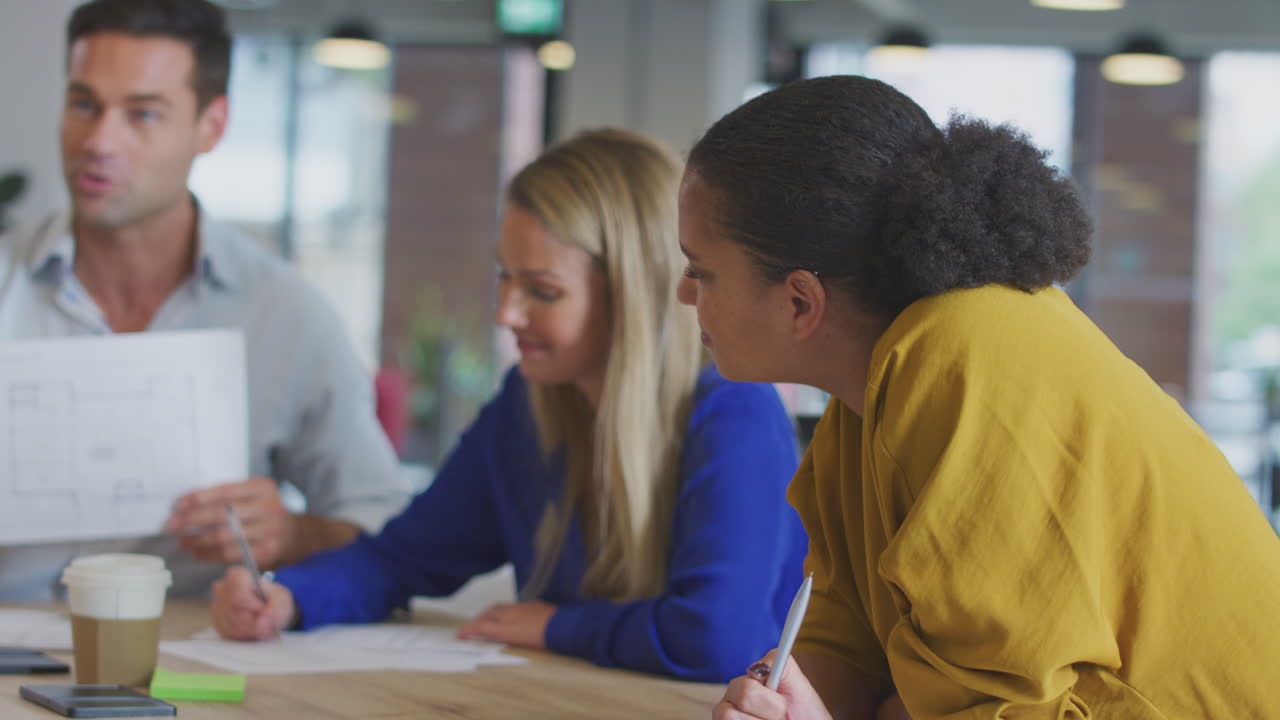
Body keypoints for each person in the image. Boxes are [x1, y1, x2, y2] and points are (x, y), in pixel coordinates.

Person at [685, 76, 1280, 719]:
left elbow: (1010, 706)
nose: (686, 295)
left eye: (700, 270)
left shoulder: (962, 352)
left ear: (800, 300)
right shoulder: (868, 394)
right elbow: (844, 644)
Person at [208, 128, 808, 682]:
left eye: (542, 291)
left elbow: (717, 640)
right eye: (504, 278)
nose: (505, 314)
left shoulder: (734, 412)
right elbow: (403, 558)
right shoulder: (529, 404)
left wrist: (555, 625)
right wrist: (287, 598)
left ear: (630, 294)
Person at [0, 0, 410, 600]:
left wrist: (292, 534)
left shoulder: (285, 313)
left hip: (198, 659)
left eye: (142, 114)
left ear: (211, 127)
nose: (98, 141)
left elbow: (386, 528)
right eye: (84, 104)